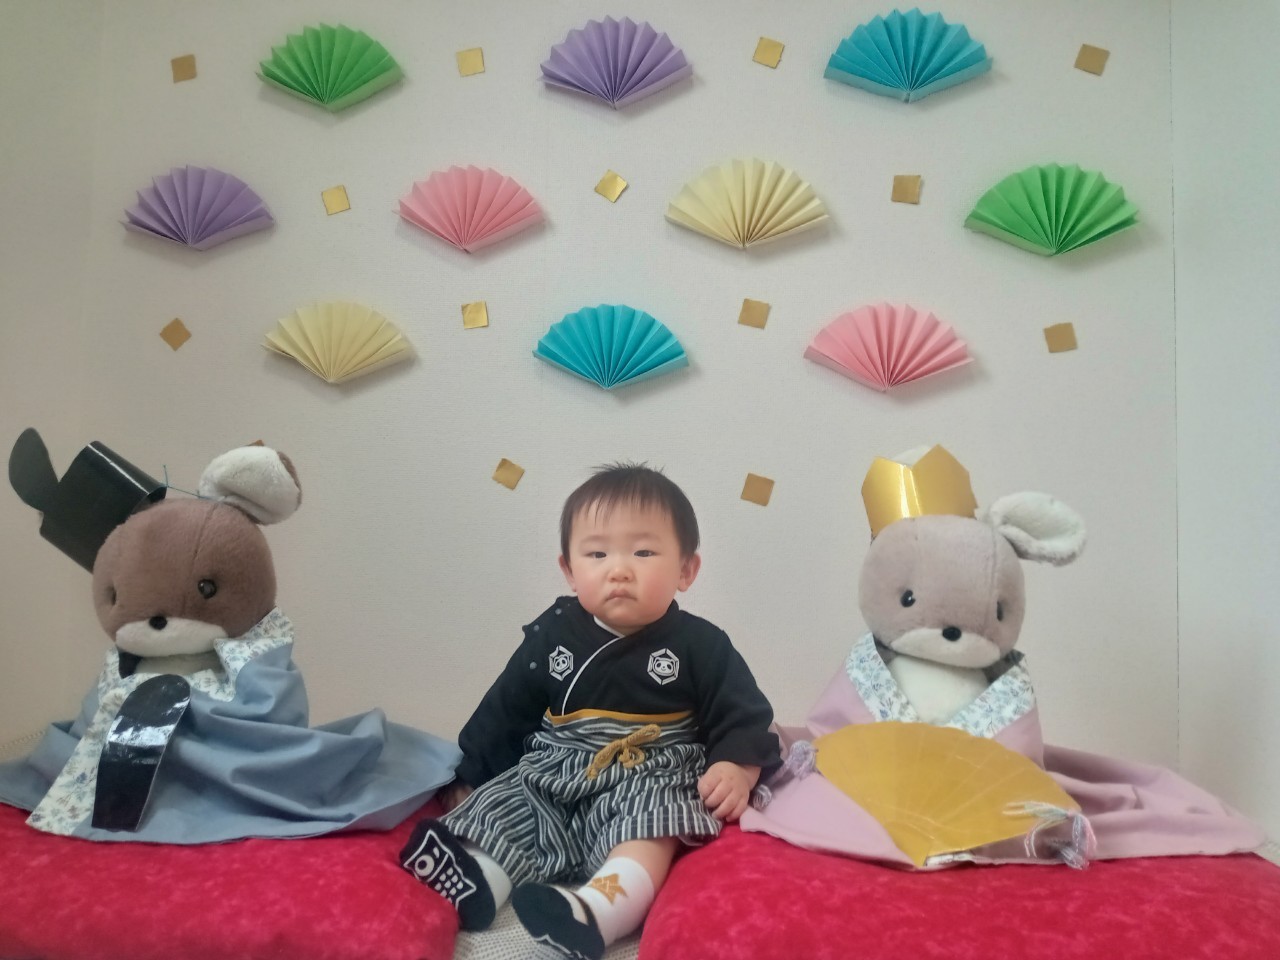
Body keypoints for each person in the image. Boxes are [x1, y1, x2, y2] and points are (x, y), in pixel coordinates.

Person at [400, 463, 780, 960]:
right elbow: (507, 707)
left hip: (648, 770)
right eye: (597, 554)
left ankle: (600, 910)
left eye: (643, 552)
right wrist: (473, 772)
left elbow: (742, 713)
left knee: (654, 825)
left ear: (686, 570)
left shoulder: (703, 645)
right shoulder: (552, 635)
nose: (618, 569)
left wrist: (736, 765)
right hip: (558, 763)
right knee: (510, 803)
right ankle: (480, 879)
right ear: (569, 570)